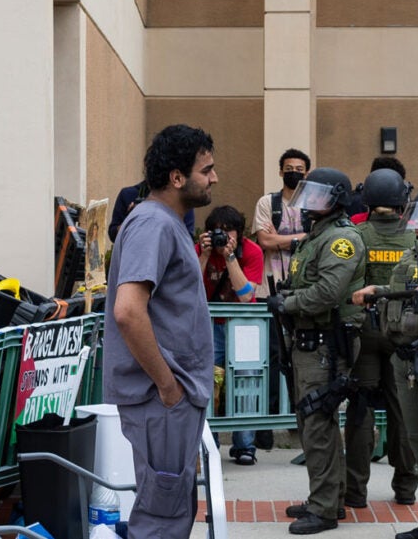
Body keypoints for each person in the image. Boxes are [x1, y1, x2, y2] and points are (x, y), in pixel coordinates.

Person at [103, 123, 217, 539]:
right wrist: (168, 387)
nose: (214, 178)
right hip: (161, 399)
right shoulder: (153, 223)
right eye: (206, 169)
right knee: (161, 520)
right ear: (176, 177)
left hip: (168, 401)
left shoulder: (166, 223)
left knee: (169, 511)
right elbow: (128, 312)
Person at [268, 167, 367, 534]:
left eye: (318, 195)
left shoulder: (341, 239)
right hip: (309, 342)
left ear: (337, 199)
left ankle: (325, 509)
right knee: (313, 424)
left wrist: (287, 303)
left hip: (326, 343)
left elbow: (327, 293)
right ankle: (327, 498)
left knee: (317, 425)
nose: (308, 202)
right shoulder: (317, 236)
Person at [351, 186, 418, 539]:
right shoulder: (412, 252)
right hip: (403, 356)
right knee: (416, 439)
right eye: (417, 214)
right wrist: (377, 293)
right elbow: (402, 291)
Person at [342, 168, 418, 509]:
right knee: (403, 411)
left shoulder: (357, 234)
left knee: (360, 411)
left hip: (365, 332)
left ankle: (355, 492)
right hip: (402, 334)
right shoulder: (416, 236)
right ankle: (405, 489)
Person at [195, 205, 264, 464]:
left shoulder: (252, 251)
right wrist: (203, 256)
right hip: (210, 325)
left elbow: (247, 295)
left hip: (243, 324)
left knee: (246, 381)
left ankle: (245, 447)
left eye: (228, 231)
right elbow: (190, 289)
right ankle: (208, 445)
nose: (222, 236)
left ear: (240, 233)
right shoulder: (201, 250)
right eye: (217, 232)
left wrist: (230, 257)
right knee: (209, 380)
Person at [253, 147, 312, 449]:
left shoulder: (314, 204)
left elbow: (314, 240)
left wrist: (281, 240)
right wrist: (301, 238)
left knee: (302, 356)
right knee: (273, 357)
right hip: (270, 290)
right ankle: (270, 421)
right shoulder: (268, 203)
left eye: (299, 168)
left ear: (307, 173)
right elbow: (264, 241)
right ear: (280, 171)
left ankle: (298, 420)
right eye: (289, 167)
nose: (294, 172)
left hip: (304, 292)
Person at [108, 180, 196, 242]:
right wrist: (131, 220)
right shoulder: (128, 194)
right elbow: (113, 235)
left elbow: (188, 240)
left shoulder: (182, 200)